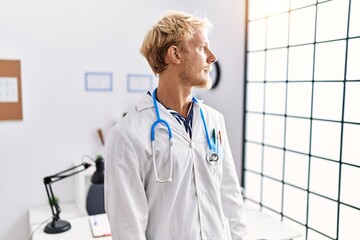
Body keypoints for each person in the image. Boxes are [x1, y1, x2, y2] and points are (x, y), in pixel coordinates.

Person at [105, 10, 247, 240]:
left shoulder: (214, 121)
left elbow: (230, 198)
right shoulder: (127, 135)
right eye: (202, 48)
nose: (212, 57)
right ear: (175, 55)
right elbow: (128, 229)